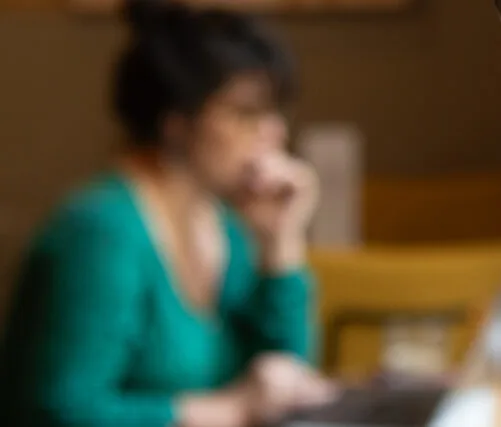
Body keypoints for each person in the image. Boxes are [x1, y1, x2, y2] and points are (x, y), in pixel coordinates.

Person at [0, 2, 335, 426]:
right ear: (176, 122)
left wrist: (280, 244)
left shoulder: (225, 226)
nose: (275, 133)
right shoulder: (101, 231)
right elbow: (58, 411)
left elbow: (285, 385)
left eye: (274, 112)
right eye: (247, 114)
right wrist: (229, 411)